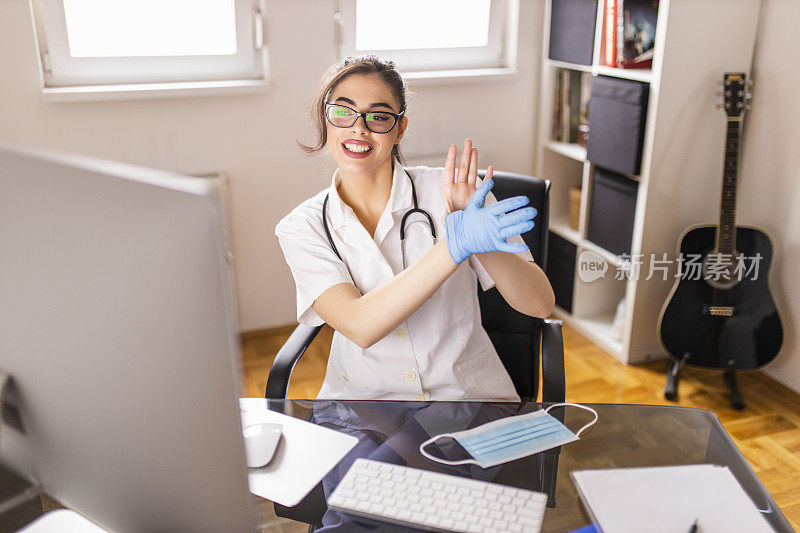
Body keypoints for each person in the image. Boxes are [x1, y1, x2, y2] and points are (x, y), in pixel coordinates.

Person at [275, 55, 554, 402]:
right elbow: (360, 326)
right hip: (366, 404)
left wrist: (482, 244)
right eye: (343, 111)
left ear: (400, 129)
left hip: (465, 396)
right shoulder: (303, 226)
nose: (359, 128)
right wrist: (453, 247)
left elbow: (541, 305)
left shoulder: (457, 194)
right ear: (325, 119)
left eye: (379, 116)